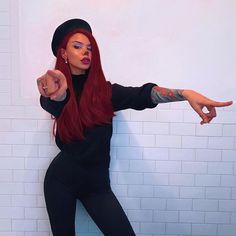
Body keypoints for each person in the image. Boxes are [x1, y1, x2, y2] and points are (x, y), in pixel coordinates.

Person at [36, 19, 233, 236]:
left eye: (90, 47)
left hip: (96, 186)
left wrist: (185, 94)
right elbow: (53, 103)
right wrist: (57, 94)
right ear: (63, 54)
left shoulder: (106, 93)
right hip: (60, 181)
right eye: (77, 46)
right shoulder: (57, 91)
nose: (86, 52)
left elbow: (143, 94)